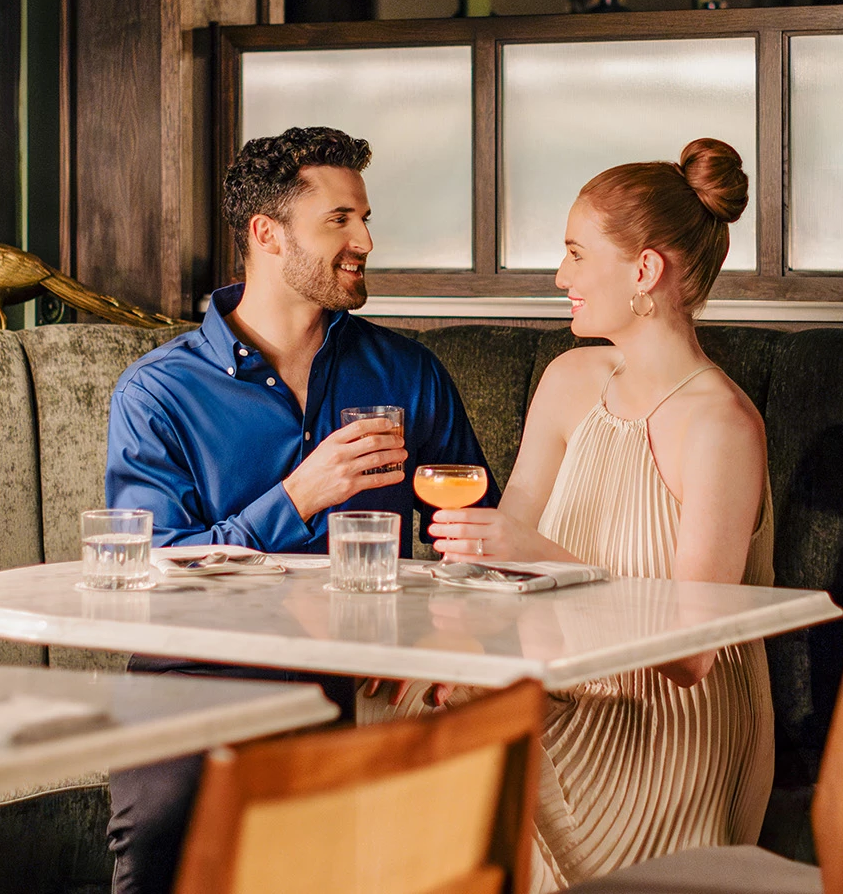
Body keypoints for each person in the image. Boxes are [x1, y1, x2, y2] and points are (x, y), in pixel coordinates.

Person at [102, 126, 493, 894]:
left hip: (363, 673)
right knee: (165, 836)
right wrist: (297, 497)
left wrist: (444, 640)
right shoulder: (159, 393)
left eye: (365, 218)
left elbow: (474, 540)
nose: (365, 241)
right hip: (201, 678)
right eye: (339, 220)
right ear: (267, 234)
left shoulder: (407, 374)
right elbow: (153, 575)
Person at [416, 138, 775, 892]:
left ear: (644, 272)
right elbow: (501, 557)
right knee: (390, 711)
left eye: (577, 255)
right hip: (563, 684)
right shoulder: (569, 379)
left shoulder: (720, 426)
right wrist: (453, 652)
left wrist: (543, 557)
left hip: (668, 732)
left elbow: (690, 658)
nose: (561, 276)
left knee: (451, 777)